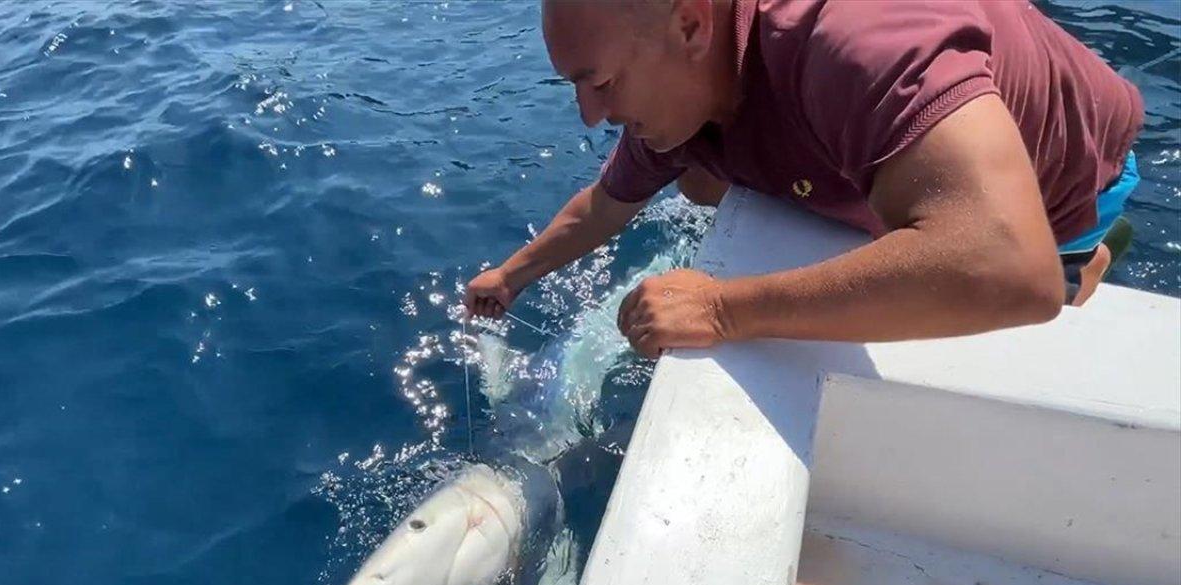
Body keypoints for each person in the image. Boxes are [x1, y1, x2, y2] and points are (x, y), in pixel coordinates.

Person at [462, 0, 1144, 359]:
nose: (590, 117)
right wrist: (512, 275)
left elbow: (1007, 270)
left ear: (693, 24)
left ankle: (1092, 258)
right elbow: (604, 206)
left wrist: (724, 309)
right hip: (859, 149)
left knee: (1058, 288)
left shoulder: (852, 39)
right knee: (698, 182)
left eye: (601, 82)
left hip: (1064, 185)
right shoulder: (676, 100)